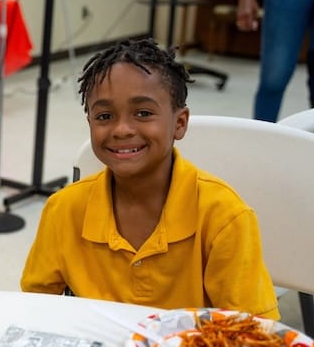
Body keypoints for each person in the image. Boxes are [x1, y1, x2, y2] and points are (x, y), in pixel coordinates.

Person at [20, 39, 279, 319]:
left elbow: (253, 333)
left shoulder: (224, 217)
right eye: (104, 116)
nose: (121, 129)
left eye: (143, 113)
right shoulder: (64, 209)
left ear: (179, 123)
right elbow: (36, 308)